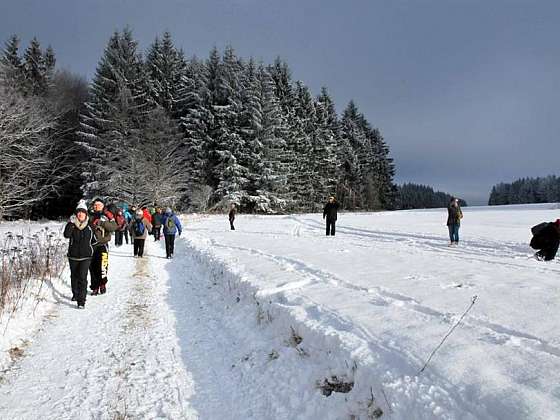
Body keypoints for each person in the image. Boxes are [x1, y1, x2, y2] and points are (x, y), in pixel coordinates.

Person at [63, 200, 94, 309]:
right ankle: (75, 294)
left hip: (86, 256)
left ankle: (82, 301)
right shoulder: (72, 224)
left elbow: (94, 240)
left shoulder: (90, 226)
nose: (80, 214)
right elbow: (66, 235)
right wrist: (71, 224)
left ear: (86, 214)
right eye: (79, 212)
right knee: (74, 276)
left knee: (82, 277)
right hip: (73, 255)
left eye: (83, 212)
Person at [89, 199, 118, 295]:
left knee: (103, 265)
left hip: (103, 244)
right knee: (92, 267)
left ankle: (102, 284)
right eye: (95, 205)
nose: (96, 206)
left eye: (98, 205)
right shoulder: (89, 215)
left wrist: (101, 223)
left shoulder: (106, 215)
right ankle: (95, 287)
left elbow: (114, 227)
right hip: (91, 245)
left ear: (102, 206)